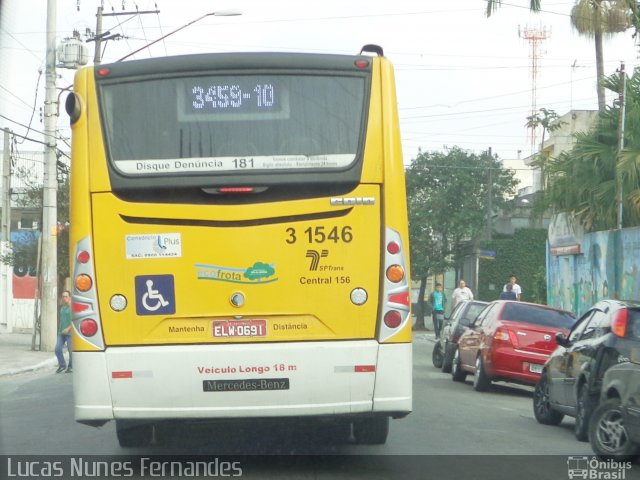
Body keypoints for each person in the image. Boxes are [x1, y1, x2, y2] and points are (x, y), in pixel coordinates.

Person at [55, 290, 73, 373]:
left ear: (69, 297)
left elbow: (74, 321)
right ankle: (62, 365)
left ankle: (71, 367)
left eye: (66, 296)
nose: (64, 298)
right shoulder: (62, 307)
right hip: (61, 333)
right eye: (63, 296)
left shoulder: (72, 308)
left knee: (70, 351)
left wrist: (68, 329)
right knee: (57, 349)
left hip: (70, 333)